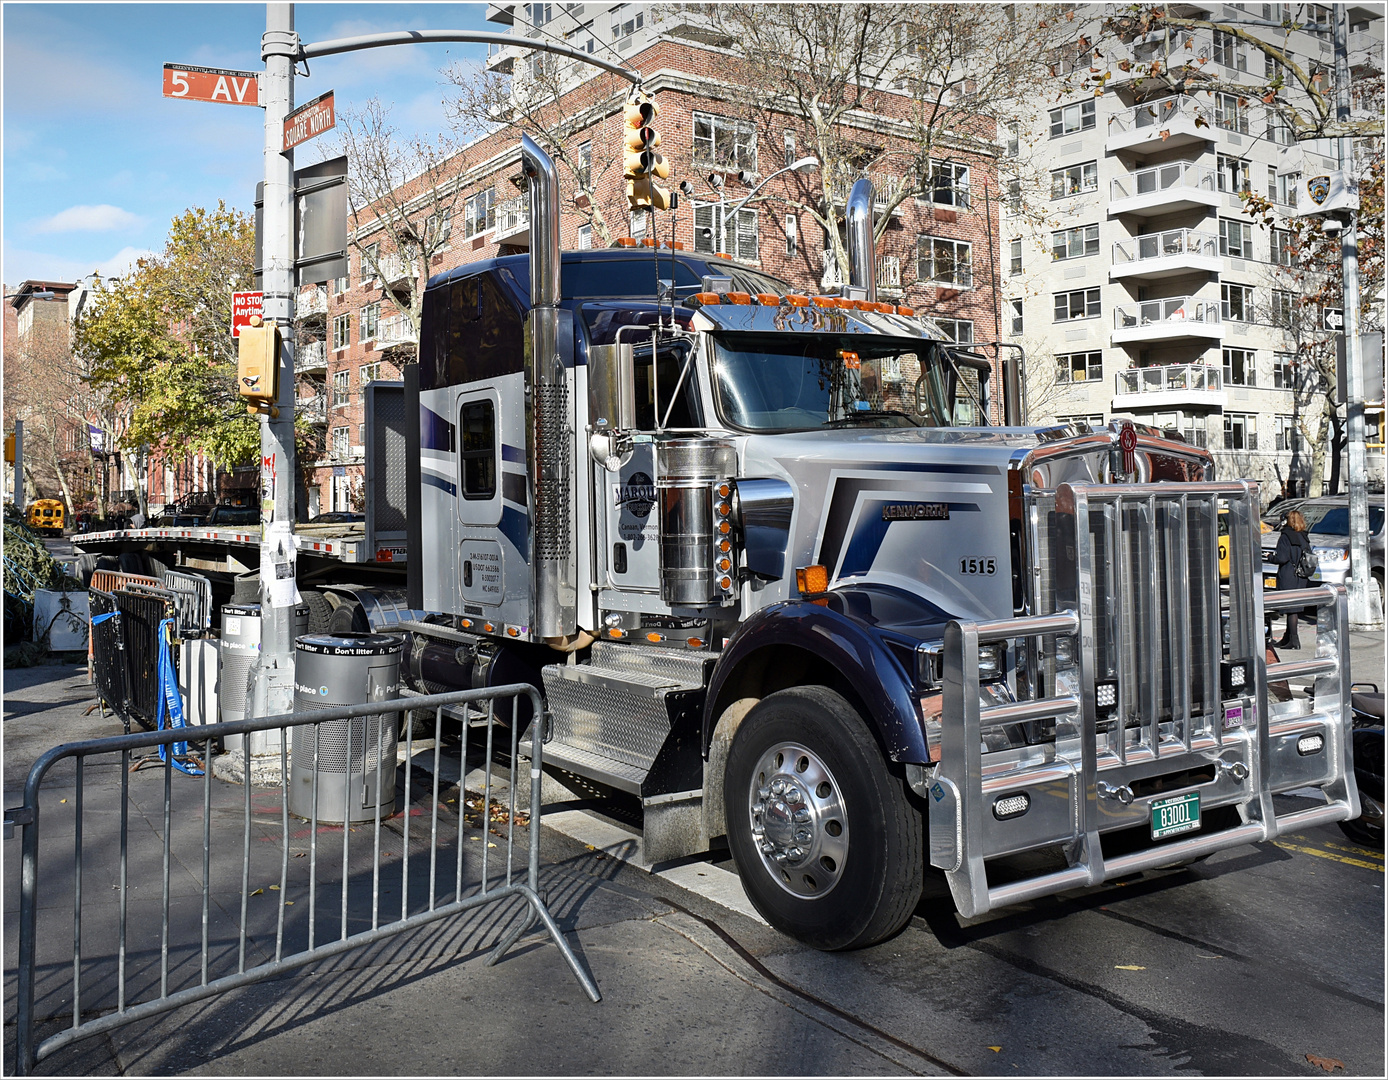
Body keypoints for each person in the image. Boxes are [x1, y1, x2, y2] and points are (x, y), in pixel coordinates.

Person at [1268, 509, 1313, 649]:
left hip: (1288, 574)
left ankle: (1294, 640)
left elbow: (1282, 558)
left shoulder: (1285, 536)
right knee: (1294, 607)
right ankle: (1287, 638)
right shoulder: (1304, 536)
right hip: (1301, 575)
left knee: (1290, 609)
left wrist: (1270, 557)